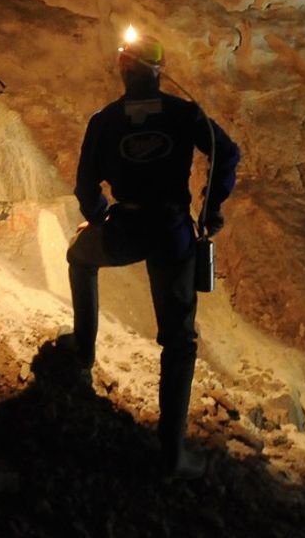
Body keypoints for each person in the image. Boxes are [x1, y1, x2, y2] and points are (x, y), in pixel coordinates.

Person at [65, 30, 240, 481]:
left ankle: (82, 355)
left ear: (123, 69)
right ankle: (172, 454)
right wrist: (210, 207)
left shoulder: (105, 121)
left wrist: (100, 217)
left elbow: (86, 188)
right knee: (178, 339)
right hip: (171, 231)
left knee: (80, 258)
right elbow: (227, 152)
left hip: (125, 227)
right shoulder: (183, 114)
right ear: (160, 73)